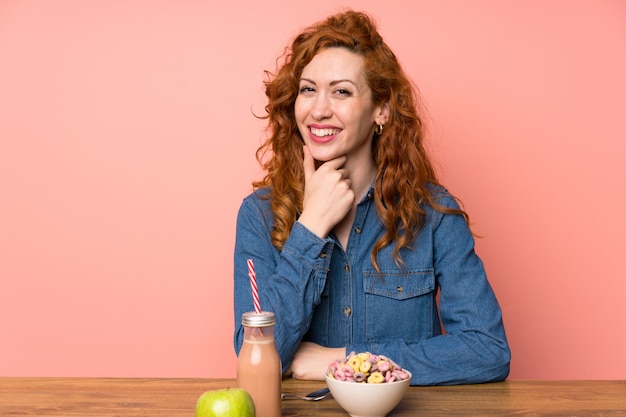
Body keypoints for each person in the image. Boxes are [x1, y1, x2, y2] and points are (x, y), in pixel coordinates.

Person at [233, 9, 510, 386]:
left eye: (341, 91)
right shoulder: (260, 215)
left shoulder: (434, 216)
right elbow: (259, 356)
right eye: (308, 89)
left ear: (381, 109)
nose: (318, 109)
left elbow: (488, 351)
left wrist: (350, 361)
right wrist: (311, 227)